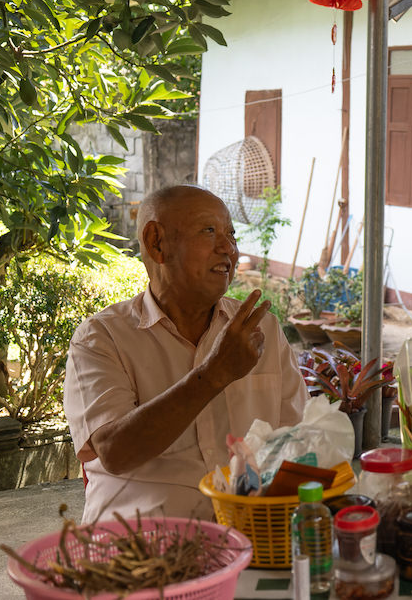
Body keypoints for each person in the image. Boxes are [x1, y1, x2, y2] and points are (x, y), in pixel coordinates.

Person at [64, 185, 307, 523]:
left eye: (231, 235)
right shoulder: (101, 338)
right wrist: (214, 375)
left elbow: (296, 443)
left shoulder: (262, 330)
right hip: (137, 547)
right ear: (156, 243)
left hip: (252, 537)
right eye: (209, 231)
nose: (229, 249)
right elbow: (114, 452)